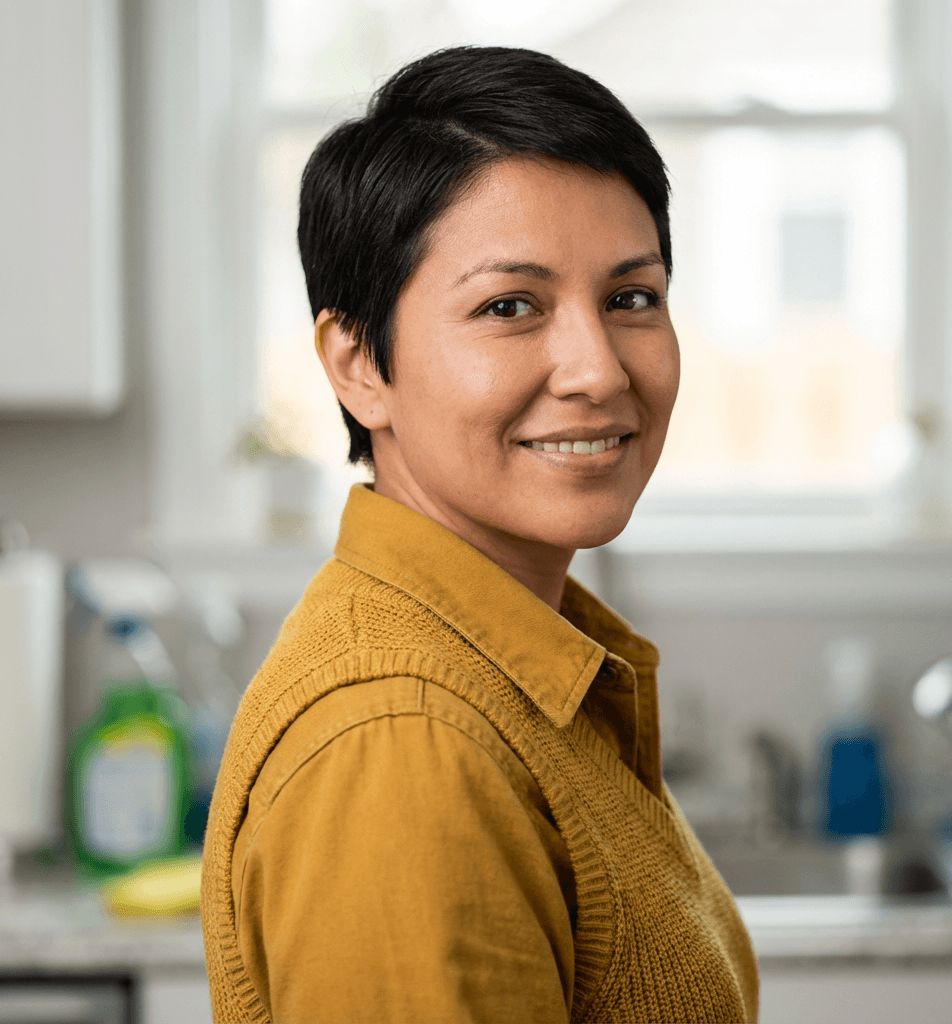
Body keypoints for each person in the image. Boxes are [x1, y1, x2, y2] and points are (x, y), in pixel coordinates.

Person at [202, 46, 758, 1024]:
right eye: (510, 306)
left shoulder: (504, 671)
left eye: (630, 297)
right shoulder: (403, 748)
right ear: (356, 361)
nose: (596, 368)